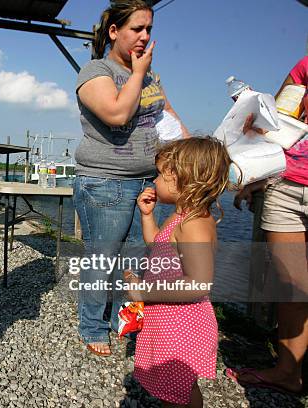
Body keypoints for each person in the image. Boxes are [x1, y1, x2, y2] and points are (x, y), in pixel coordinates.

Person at [73, 0, 189, 357]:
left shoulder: (153, 77)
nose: (144, 37)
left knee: (137, 261)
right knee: (103, 259)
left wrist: (192, 155)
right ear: (114, 32)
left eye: (149, 29)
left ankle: (122, 320)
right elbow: (117, 113)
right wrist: (138, 73)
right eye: (136, 29)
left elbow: (168, 116)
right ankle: (92, 325)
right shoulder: (96, 71)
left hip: (147, 181)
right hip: (105, 182)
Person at [125, 137, 229, 407]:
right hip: (170, 320)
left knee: (175, 394)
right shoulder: (181, 216)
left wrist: (143, 291)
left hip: (182, 326)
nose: (155, 181)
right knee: (178, 391)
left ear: (184, 179)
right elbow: (157, 243)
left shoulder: (194, 224)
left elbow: (198, 283)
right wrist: (147, 216)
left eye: (161, 174)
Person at [227, 56, 308, 395]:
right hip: (287, 183)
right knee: (290, 286)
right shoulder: (305, 64)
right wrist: (254, 173)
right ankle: (289, 371)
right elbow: (273, 122)